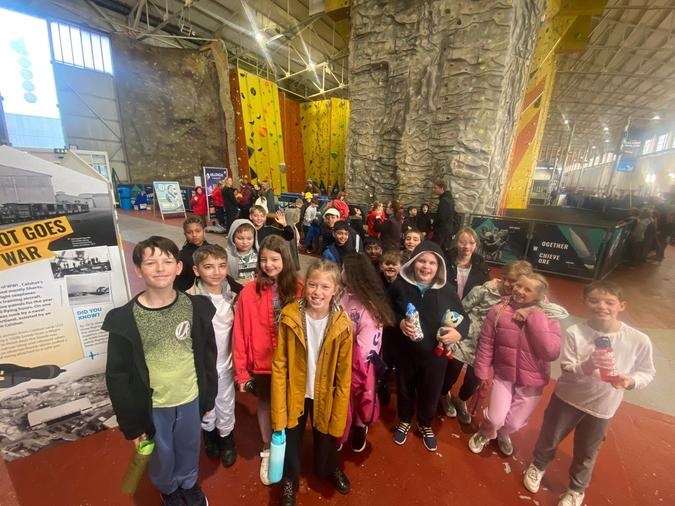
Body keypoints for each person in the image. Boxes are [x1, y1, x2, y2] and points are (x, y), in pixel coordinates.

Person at [103, 236, 216, 506]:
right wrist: (131, 424)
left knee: (189, 446)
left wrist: (208, 397)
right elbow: (117, 375)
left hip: (189, 398)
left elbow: (207, 356)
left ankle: (188, 483)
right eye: (150, 262)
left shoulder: (196, 308)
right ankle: (168, 489)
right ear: (138, 270)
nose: (160, 268)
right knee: (161, 454)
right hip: (153, 406)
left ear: (179, 267)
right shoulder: (125, 320)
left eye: (167, 261)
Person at [522, 281, 654, 506]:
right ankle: (538, 465)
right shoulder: (575, 332)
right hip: (567, 399)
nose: (602, 306)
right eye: (594, 301)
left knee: (587, 452)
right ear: (585, 302)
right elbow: (567, 367)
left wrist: (631, 381)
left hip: (602, 408)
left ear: (622, 305)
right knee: (549, 437)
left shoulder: (638, 340)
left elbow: (647, 372)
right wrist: (590, 364)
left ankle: (576, 489)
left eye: (609, 302)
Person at [443, 260, 568, 425]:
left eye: (514, 282)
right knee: (451, 372)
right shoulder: (484, 291)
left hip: (487, 350)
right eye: (506, 279)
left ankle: (461, 400)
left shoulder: (523, 303)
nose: (510, 285)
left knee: (473, 381)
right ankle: (444, 394)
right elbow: (462, 309)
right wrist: (455, 330)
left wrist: (531, 309)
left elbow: (551, 310)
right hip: (465, 342)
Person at [271, 260, 353, 505]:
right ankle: (289, 478)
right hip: (295, 390)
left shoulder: (342, 324)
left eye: (325, 287)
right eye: (313, 285)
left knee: (326, 436)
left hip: (325, 392)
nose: (318, 292)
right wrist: (278, 407)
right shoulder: (289, 316)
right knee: (291, 436)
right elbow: (280, 365)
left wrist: (339, 414)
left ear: (336, 290)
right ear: (305, 285)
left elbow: (343, 376)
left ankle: (329, 466)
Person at [232, 236, 303, 485]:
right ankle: (267, 445)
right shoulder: (248, 292)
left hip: (292, 362)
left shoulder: (299, 288)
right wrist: (242, 372)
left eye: (274, 259)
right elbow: (240, 332)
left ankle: (289, 446)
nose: (269, 264)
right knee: (264, 404)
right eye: (263, 259)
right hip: (263, 363)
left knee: (292, 405)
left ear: (286, 259)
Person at [388, 241, 469, 452]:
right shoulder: (399, 286)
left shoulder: (447, 291)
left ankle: (425, 423)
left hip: (435, 356)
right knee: (404, 388)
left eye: (432, 263)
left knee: (431, 391)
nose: (426, 266)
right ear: (413, 262)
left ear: (439, 267)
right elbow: (386, 310)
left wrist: (458, 333)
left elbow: (464, 319)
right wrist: (399, 322)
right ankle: (405, 419)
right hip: (405, 352)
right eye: (421, 261)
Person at [468, 272, 561, 457]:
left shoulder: (549, 316)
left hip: (533, 380)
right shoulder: (498, 311)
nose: (519, 291)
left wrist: (534, 315)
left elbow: (550, 352)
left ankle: (503, 433)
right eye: (519, 285)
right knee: (495, 419)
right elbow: (486, 343)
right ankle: (485, 432)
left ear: (539, 295)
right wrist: (482, 372)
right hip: (504, 374)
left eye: (528, 289)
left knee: (514, 423)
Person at [187, 244, 242, 468]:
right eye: (209, 267)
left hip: (226, 363)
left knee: (226, 402)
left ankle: (226, 438)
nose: (216, 272)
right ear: (196, 270)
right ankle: (209, 435)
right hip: (201, 366)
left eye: (221, 265)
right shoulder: (188, 300)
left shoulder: (235, 297)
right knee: (206, 405)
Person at [339, 254, 396, 452]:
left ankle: (359, 426)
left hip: (362, 364)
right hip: (342, 358)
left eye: (344, 269)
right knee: (344, 399)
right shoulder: (342, 294)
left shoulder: (370, 308)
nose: (341, 272)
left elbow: (365, 348)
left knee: (362, 397)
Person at [439, 227, 490, 424]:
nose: (466, 246)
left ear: (475, 245)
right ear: (456, 243)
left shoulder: (481, 267)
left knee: (475, 373)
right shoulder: (446, 261)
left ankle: (462, 399)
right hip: (447, 315)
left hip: (471, 322)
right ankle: (444, 393)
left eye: (471, 243)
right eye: (462, 242)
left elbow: (488, 294)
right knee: (451, 364)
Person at [174, 217, 208, 291]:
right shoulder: (182, 255)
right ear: (185, 234)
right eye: (189, 232)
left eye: (198, 231)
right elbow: (178, 282)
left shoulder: (214, 250)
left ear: (204, 231)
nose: (194, 235)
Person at [225, 219, 257, 283]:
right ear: (232, 238)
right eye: (240, 238)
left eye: (249, 238)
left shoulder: (258, 254)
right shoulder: (226, 255)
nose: (245, 242)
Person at [431, 180, 455, 249]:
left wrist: (433, 225)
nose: (433, 190)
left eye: (435, 188)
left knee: (437, 250)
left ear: (442, 188)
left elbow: (442, 217)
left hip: (442, 232)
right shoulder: (449, 199)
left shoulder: (444, 201)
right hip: (447, 231)